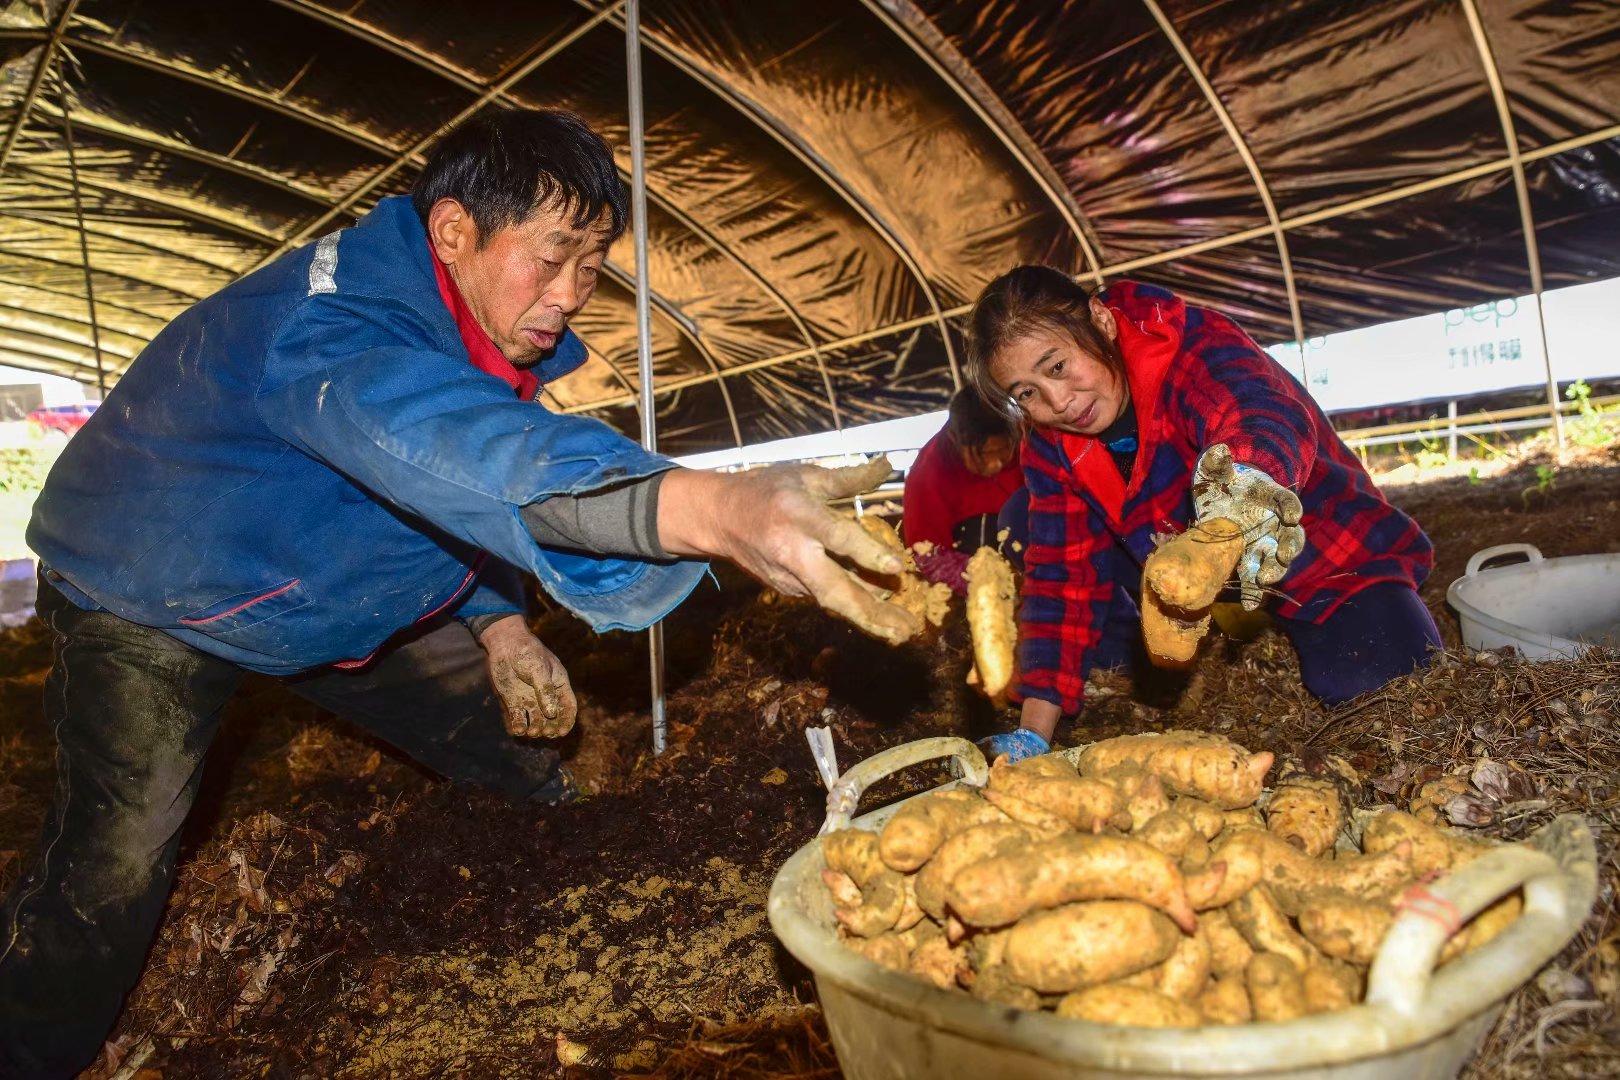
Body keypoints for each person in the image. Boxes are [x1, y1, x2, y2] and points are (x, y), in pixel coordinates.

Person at [0, 109, 918, 1080]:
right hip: (155, 586)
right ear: (452, 233)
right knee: (117, 860)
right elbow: (465, 447)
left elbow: (438, 496)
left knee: (523, 758)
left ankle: (559, 927)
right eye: (552, 257)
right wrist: (718, 509)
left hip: (327, 582)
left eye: (592, 265)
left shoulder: (483, 336)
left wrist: (501, 626)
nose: (571, 295)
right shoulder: (339, 323)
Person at [966, 267, 1438, 762]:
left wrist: (1233, 515)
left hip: (1316, 546)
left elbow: (1258, 416)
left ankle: (1317, 611)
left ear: (1101, 320)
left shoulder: (1187, 343)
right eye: (1026, 393)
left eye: (1057, 367)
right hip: (1186, 566)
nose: (1057, 402)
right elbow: (1062, 576)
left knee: (1379, 680)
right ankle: (1124, 652)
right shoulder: (1048, 444)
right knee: (1024, 521)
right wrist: (1033, 736)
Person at [902, 388, 1024, 592]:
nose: (995, 464)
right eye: (983, 453)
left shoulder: (1028, 443)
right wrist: (984, 587)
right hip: (973, 579)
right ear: (955, 440)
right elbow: (927, 553)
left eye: (1003, 450)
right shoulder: (930, 471)